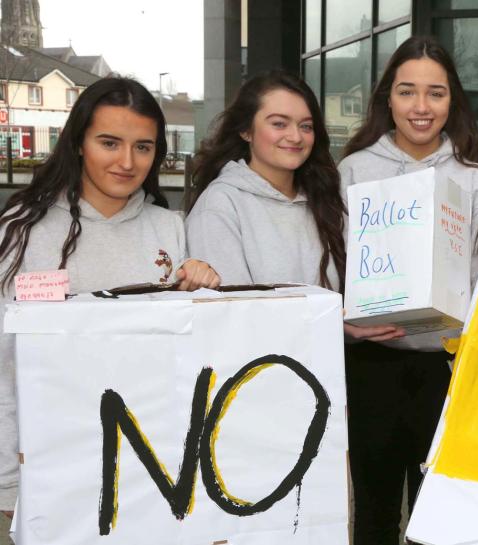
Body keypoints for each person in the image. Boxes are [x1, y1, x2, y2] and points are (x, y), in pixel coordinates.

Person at [0, 76, 220, 518]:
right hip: (50, 467)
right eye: (109, 142)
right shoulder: (21, 230)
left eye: (143, 146)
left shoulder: (169, 228)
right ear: (78, 142)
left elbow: (190, 357)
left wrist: (204, 293)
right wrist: (9, 478)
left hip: (151, 467)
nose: (127, 161)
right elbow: (6, 364)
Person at [337, 36, 478, 545]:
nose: (421, 107)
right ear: (388, 99)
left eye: (436, 93)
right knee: (375, 517)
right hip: (370, 365)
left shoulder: (474, 179)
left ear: (453, 102)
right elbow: (336, 269)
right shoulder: (353, 169)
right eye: (407, 92)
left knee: (437, 521)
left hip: (444, 371)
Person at [185, 70, 400, 342]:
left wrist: (348, 324)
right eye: (279, 124)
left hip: (326, 372)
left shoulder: (324, 200)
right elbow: (233, 315)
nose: (296, 136)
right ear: (246, 130)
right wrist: (330, 322)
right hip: (257, 375)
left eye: (306, 126)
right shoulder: (220, 205)